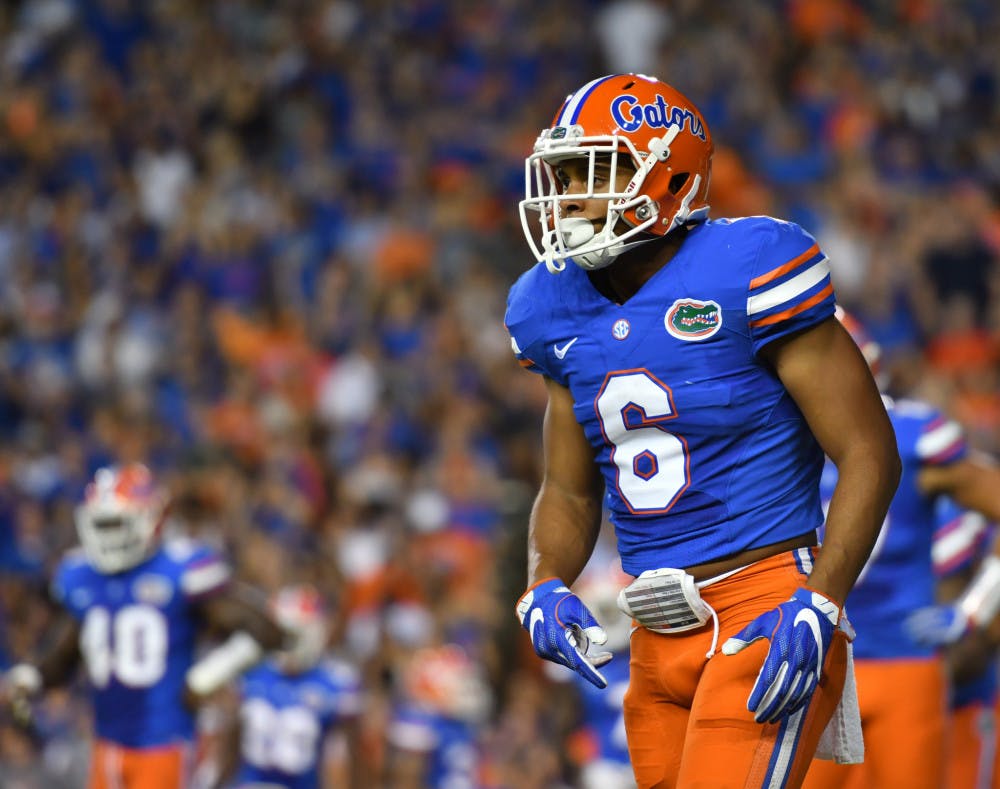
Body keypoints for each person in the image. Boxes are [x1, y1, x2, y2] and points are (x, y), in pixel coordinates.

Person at [505, 73, 901, 788]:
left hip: (764, 610)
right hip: (653, 633)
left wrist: (822, 599)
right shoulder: (548, 305)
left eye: (593, 171)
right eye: (562, 175)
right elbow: (566, 489)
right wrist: (544, 582)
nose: (567, 197)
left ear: (668, 173)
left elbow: (869, 449)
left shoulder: (747, 266)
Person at [798, 310, 1000, 788]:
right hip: (811, 666)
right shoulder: (772, 447)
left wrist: (974, 608)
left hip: (901, 664)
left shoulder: (912, 439)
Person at [0, 462, 288, 789]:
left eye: (118, 524)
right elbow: (70, 646)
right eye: (103, 525)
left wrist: (210, 674)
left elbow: (265, 629)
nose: (110, 536)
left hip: (163, 744)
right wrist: (34, 676)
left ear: (151, 518)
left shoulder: (179, 569)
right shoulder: (81, 575)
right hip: (106, 742)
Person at [211, 584, 365, 789]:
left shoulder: (337, 684)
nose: (284, 642)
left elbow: (349, 760)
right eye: (280, 633)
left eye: (291, 634)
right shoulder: (250, 674)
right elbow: (230, 750)